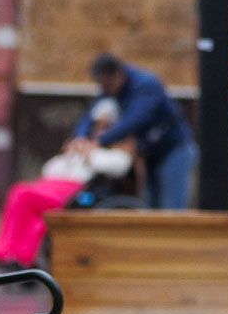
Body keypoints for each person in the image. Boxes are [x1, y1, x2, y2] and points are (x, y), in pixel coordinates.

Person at [0, 98, 134, 267]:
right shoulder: (84, 145)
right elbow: (50, 169)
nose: (100, 130)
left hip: (72, 195)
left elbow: (117, 167)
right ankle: (15, 252)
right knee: (25, 200)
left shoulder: (116, 153)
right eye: (98, 125)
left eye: (106, 126)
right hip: (53, 186)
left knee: (22, 193)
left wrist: (89, 153)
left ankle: (12, 251)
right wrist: (71, 153)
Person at [68, 54, 196, 209]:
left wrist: (99, 141)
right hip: (149, 154)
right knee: (151, 206)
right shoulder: (110, 89)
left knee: (171, 207)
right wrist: (81, 137)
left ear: (117, 75)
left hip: (173, 151)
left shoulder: (146, 85)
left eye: (106, 85)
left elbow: (132, 121)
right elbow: (91, 114)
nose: (104, 90)